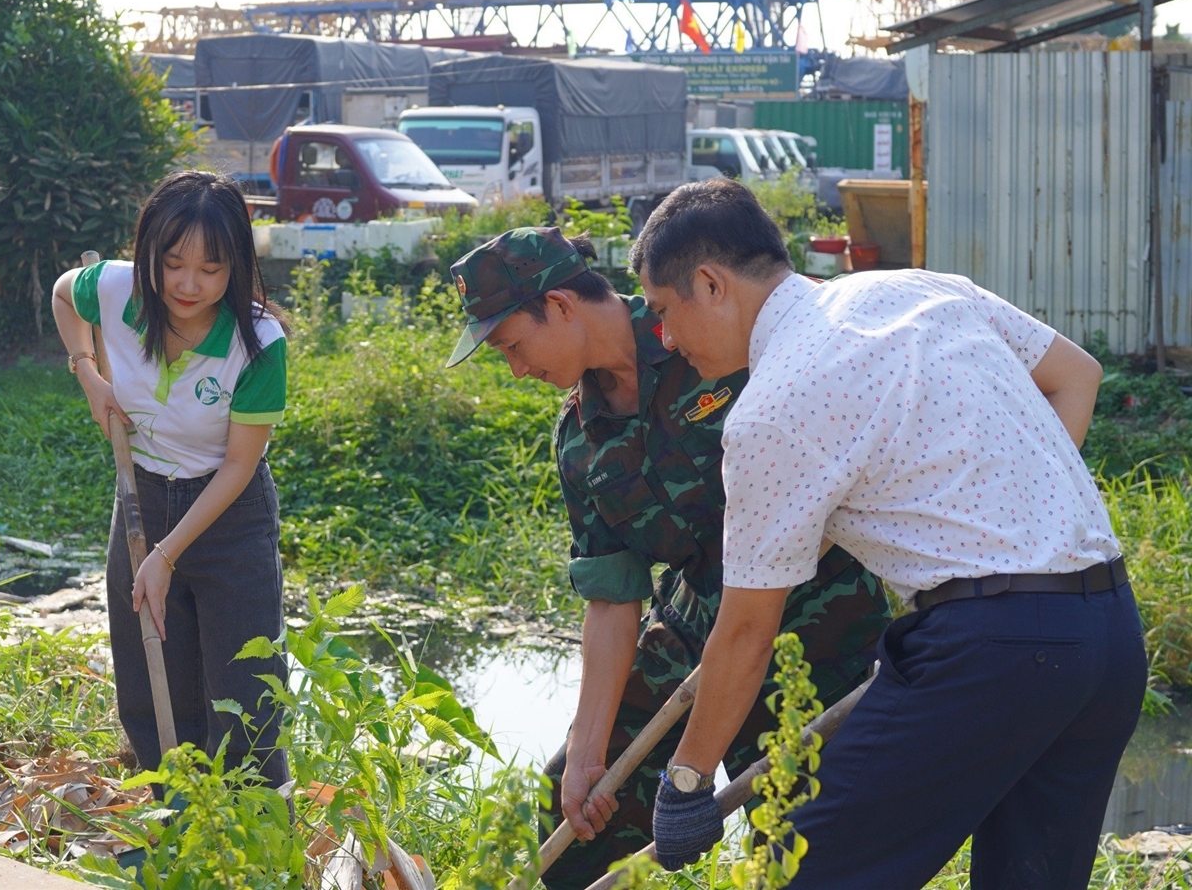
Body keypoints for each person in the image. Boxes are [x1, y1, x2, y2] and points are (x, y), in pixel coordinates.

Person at [637, 179, 1145, 887]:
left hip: (991, 652)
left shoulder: (771, 407)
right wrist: (1025, 537)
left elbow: (748, 630)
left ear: (710, 284)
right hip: (1109, 636)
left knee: (796, 872)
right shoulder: (920, 290)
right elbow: (1076, 376)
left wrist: (686, 782)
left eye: (664, 311)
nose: (664, 338)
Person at [444, 227, 891, 889]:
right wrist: (588, 752)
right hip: (694, 636)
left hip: (816, 633)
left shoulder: (704, 329)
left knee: (814, 853)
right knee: (580, 824)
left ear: (561, 306)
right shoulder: (580, 442)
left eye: (512, 344)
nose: (515, 368)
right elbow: (611, 595)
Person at [51, 170, 290, 789]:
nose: (189, 284)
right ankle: (174, 826)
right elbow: (61, 293)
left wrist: (165, 555)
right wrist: (88, 373)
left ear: (237, 264)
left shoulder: (259, 343)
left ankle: (256, 848)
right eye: (173, 263)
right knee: (151, 675)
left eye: (211, 269)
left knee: (246, 692)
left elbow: (239, 465)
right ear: (148, 251)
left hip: (228, 514)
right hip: (145, 496)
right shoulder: (116, 290)